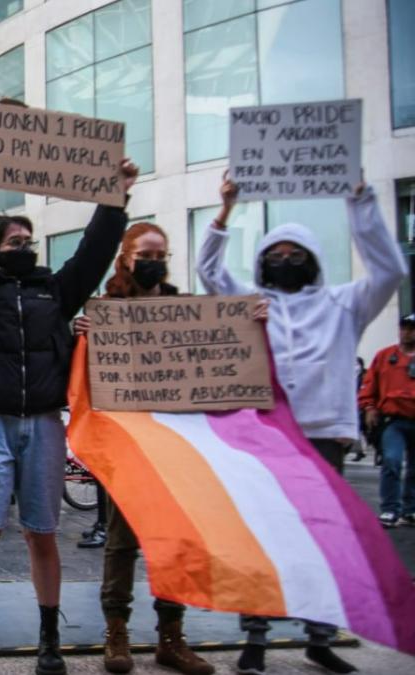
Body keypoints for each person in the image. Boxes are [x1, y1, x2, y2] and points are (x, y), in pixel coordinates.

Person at [0, 141, 139, 675]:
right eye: (15, 241)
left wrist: (115, 202)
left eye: (30, 240)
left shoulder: (54, 291)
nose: (26, 246)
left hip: (43, 426)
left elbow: (93, 254)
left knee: (44, 534)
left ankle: (50, 639)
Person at [198, 174, 406, 675]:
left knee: (325, 542)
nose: (284, 261)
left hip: (322, 438)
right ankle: (255, 637)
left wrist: (361, 200)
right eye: (276, 253)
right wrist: (225, 210)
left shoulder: (346, 304)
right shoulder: (251, 304)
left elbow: (390, 269)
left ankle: (320, 636)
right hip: (265, 439)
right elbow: (209, 273)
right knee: (264, 539)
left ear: (311, 259)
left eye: (295, 254)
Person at [74, 223, 216, 675]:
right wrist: (82, 334)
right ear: (126, 257)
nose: (154, 261)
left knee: (176, 541)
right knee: (121, 541)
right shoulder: (107, 310)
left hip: (175, 443)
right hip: (127, 445)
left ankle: (170, 636)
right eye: (145, 253)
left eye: (161, 253)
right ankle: (117, 633)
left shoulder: (181, 308)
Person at [359, 314, 415, 528]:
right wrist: (369, 407)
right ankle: (390, 509)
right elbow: (369, 384)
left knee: (414, 468)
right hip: (393, 420)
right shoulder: (384, 356)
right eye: (404, 328)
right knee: (391, 460)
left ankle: (411, 509)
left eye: (412, 328)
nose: (407, 332)